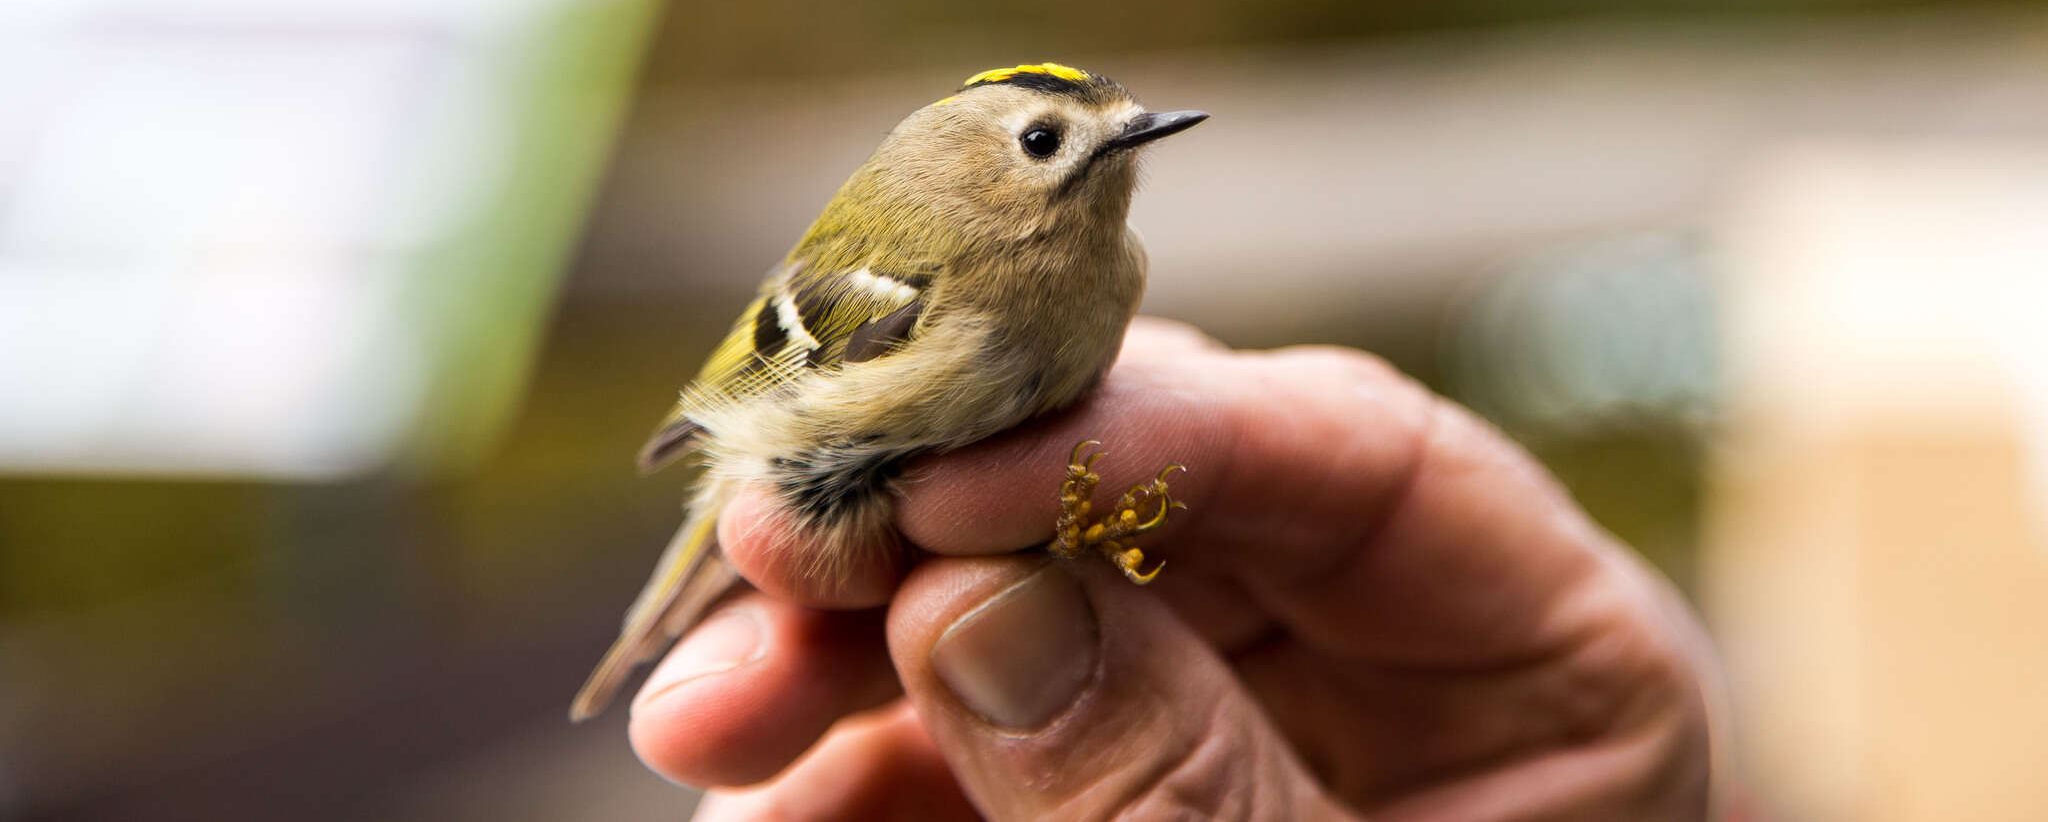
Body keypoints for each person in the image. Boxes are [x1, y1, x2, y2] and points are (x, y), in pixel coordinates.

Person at [624, 318, 1729, 820]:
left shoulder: (1099, 273)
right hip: (812, 456)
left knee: (984, 543)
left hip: (963, 534)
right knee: (959, 564)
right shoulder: (941, 259)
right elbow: (785, 345)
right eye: (1049, 143)